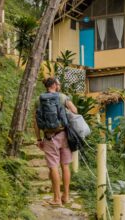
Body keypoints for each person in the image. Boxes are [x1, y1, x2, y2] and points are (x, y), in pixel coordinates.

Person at [34, 77, 77, 206]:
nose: (59, 86)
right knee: (65, 166)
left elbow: (35, 122)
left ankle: (57, 199)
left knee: (53, 167)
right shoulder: (63, 97)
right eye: (58, 84)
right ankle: (66, 196)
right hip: (63, 135)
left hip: (49, 137)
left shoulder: (38, 100)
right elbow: (75, 111)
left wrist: (38, 138)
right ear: (54, 85)